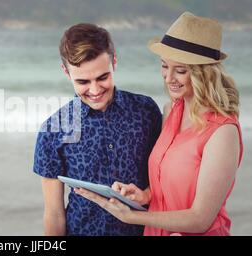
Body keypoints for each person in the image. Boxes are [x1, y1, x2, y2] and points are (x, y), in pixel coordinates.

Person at [75, 12, 243, 236]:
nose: (168, 77)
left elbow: (201, 218)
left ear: (205, 75)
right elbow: (167, 181)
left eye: (181, 70)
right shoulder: (171, 110)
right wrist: (145, 195)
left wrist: (132, 216)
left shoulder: (223, 132)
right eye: (165, 66)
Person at [33, 23, 162, 236]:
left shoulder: (146, 111)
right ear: (66, 72)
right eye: (83, 81)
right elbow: (54, 214)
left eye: (103, 77)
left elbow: (164, 180)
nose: (95, 90)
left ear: (115, 62)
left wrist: (147, 193)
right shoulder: (53, 129)